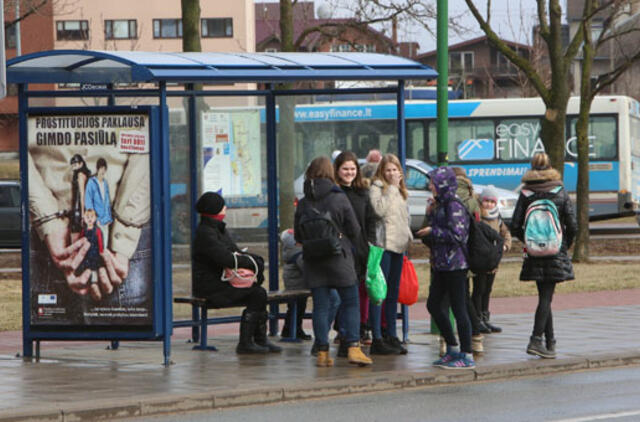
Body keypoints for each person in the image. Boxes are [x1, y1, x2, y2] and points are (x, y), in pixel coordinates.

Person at [294, 156, 372, 367]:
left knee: (320, 306)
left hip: (313, 261)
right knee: (351, 302)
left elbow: (298, 238)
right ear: (331, 173)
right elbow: (355, 230)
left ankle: (322, 353)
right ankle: (354, 348)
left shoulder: (303, 202)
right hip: (340, 259)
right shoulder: (338, 198)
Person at [192, 191, 281, 355]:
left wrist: (256, 261)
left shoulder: (217, 229)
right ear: (215, 209)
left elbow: (236, 252)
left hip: (222, 283)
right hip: (211, 287)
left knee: (258, 292)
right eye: (222, 205)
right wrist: (254, 264)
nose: (225, 207)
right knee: (258, 294)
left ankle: (259, 339)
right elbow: (225, 258)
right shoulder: (206, 233)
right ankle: (246, 343)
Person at [510, 153, 577, 359]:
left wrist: (529, 241)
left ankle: (550, 342)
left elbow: (514, 225)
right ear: (551, 167)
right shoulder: (560, 191)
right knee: (546, 298)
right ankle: (536, 340)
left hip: (535, 253)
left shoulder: (526, 193)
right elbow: (573, 225)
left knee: (544, 297)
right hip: (556, 250)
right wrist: (564, 244)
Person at [417, 166, 476, 369]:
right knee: (433, 304)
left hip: (456, 264)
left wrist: (433, 231)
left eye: (433, 182)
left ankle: (467, 354)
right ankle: (452, 347)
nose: (430, 186)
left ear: (443, 183)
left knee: (459, 308)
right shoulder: (440, 204)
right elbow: (432, 235)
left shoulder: (454, 205)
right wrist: (430, 215)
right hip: (441, 264)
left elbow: (457, 235)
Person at [333, 151, 378, 353]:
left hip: (361, 249)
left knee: (361, 292)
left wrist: (370, 244)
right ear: (337, 170)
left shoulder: (362, 193)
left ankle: (360, 329)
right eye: (345, 169)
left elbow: (370, 221)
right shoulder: (334, 193)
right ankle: (344, 332)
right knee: (343, 294)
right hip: (340, 251)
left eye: (352, 169)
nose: (349, 173)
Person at [368, 153, 413, 355]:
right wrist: (392, 187)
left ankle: (391, 334)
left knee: (393, 292)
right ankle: (376, 335)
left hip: (399, 246)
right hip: (383, 246)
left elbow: (404, 217)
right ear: (382, 171)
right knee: (379, 292)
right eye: (388, 170)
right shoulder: (377, 188)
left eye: (395, 169)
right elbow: (379, 210)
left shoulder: (402, 192)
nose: (392, 173)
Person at [471, 186, 512, 335]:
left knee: (487, 290)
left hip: (493, 260)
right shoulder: (478, 216)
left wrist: (506, 246)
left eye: (492, 202)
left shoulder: (497, 217)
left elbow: (505, 233)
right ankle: (477, 318)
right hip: (481, 259)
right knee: (479, 289)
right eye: (486, 201)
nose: (489, 204)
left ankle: (485, 316)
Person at [279, 228, 312, 341]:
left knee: (294, 307)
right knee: (298, 308)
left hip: (294, 283)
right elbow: (305, 267)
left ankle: (290, 329)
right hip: (297, 284)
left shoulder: (289, 251)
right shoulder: (298, 253)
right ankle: (293, 330)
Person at [85, 158, 113, 250]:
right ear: (97, 169)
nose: (103, 171)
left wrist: (109, 217)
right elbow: (88, 201)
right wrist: (92, 217)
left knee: (104, 245)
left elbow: (107, 201)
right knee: (95, 244)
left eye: (104, 169)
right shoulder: (91, 182)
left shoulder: (105, 183)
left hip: (105, 219)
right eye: (101, 168)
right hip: (96, 219)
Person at [69, 154, 91, 242]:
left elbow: (82, 195)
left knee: (76, 234)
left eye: (75, 164)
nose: (73, 166)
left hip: (78, 209)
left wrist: (82, 214)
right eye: (72, 164)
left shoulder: (80, 175)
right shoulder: (78, 174)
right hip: (76, 208)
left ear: (81, 164)